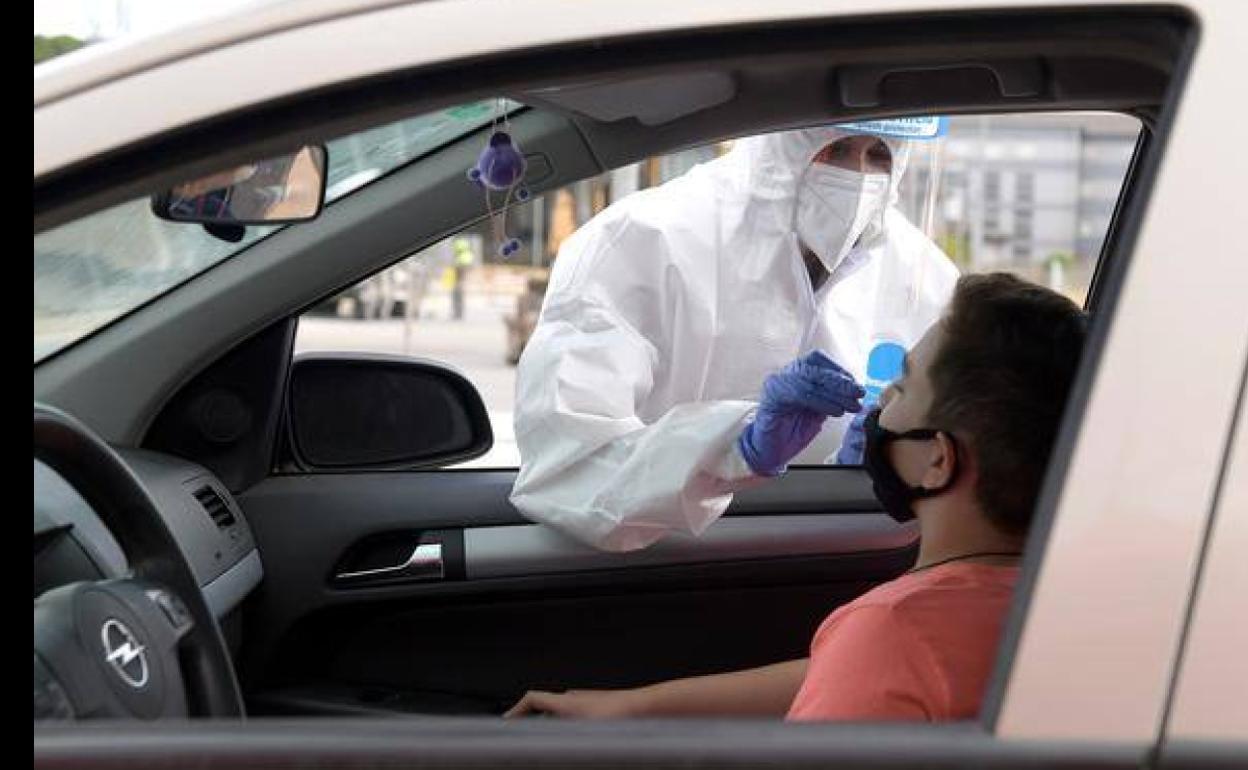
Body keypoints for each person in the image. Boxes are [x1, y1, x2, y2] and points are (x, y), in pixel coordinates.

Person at [505, 272, 1088, 721]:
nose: (880, 405)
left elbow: (879, 663)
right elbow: (848, 673)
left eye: (903, 386)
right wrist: (633, 707)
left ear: (938, 457)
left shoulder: (896, 631)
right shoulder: (1068, 608)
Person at [511, 120, 959, 552]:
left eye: (879, 154)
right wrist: (735, 447)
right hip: (663, 569)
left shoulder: (921, 274)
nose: (858, 176)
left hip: (841, 562)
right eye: (835, 149)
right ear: (779, 145)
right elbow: (569, 472)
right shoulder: (644, 240)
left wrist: (883, 469)